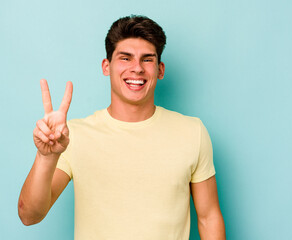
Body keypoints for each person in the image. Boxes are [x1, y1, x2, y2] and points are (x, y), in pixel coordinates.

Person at [18, 15, 226, 239]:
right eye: (125, 58)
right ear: (106, 66)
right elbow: (30, 215)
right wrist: (45, 157)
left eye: (147, 59)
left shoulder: (192, 132)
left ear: (160, 69)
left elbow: (208, 217)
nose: (136, 68)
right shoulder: (71, 137)